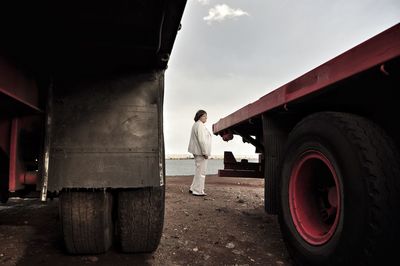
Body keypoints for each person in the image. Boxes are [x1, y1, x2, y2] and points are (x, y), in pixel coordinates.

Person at [188, 110, 212, 196]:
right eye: (205, 116)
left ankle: (193, 188)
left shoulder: (196, 124)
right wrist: (205, 152)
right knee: (201, 172)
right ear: (200, 116)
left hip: (197, 151)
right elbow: (202, 140)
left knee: (198, 170)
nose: (206, 118)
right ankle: (198, 191)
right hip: (200, 152)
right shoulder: (200, 125)